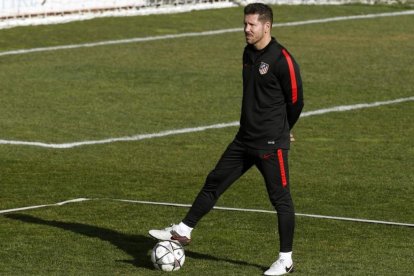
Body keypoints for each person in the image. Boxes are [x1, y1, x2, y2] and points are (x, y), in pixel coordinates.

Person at [149, 3, 304, 275]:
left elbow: (296, 101)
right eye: (245, 24)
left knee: (281, 200)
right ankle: (183, 230)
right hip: (244, 140)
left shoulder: (282, 60)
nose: (245, 29)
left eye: (251, 25)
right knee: (214, 181)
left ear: (266, 27)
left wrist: (283, 129)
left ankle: (285, 259)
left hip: (270, 146)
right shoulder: (247, 53)